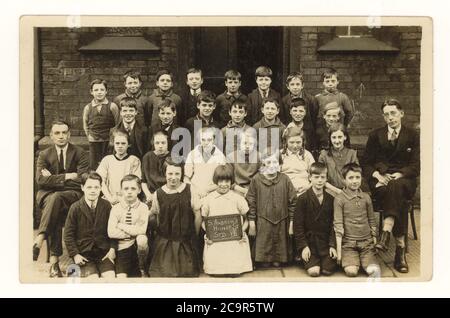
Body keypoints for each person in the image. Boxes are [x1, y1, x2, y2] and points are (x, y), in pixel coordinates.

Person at [362, 98, 420, 273]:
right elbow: (366, 163)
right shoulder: (375, 135)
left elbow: (416, 166)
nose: (390, 117)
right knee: (396, 195)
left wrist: (400, 174)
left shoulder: (412, 135)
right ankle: (400, 251)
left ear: (401, 113)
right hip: (381, 182)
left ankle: (386, 233)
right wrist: (378, 175)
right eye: (386, 114)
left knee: (396, 187)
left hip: (404, 180)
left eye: (393, 113)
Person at [33, 121, 89, 277]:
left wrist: (54, 180)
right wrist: (67, 176)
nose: (61, 136)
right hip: (48, 197)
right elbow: (40, 180)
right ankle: (55, 262)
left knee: (55, 199)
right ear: (51, 136)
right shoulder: (44, 155)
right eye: (57, 133)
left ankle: (50, 256)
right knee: (55, 204)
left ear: (69, 134)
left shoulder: (80, 152)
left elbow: (82, 180)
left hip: (73, 195)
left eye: (64, 132)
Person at [148, 158, 201, 277]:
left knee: (187, 273)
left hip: (186, 240)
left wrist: (194, 236)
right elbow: (156, 215)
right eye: (170, 173)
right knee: (162, 273)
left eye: (177, 174)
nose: (173, 177)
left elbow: (197, 215)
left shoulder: (189, 189)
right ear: (164, 174)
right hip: (166, 240)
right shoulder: (158, 193)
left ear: (182, 174)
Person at [246, 150, 297, 267]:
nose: (272, 165)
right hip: (263, 221)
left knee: (277, 262)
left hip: (282, 221)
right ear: (262, 163)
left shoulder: (285, 179)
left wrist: (291, 223)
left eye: (275, 162)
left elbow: (293, 202)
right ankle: (263, 258)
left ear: (279, 164)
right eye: (268, 162)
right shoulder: (256, 180)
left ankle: (279, 258)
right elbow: (251, 201)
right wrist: (252, 222)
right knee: (264, 262)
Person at [201, 165, 253, 276]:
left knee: (234, 267)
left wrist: (241, 231)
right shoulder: (209, 199)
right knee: (215, 267)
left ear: (231, 182)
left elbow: (246, 220)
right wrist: (208, 233)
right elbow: (204, 221)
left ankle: (235, 267)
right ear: (215, 181)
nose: (224, 184)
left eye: (227, 181)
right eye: (220, 181)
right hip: (216, 237)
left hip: (234, 237)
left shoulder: (238, 198)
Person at [64, 172, 116, 278]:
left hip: (103, 253)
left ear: (101, 188)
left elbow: (114, 229)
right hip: (84, 255)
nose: (93, 190)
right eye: (89, 187)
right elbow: (68, 235)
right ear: (82, 187)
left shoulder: (106, 206)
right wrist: (75, 254)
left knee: (110, 276)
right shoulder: (75, 208)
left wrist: (112, 249)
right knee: (93, 279)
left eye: (96, 187)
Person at [334, 163, 380, 278]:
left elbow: (372, 220)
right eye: (350, 178)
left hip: (366, 243)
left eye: (357, 177)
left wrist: (374, 241)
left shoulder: (366, 197)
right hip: (348, 244)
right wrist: (339, 252)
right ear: (344, 180)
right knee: (351, 272)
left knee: (373, 272)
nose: (354, 181)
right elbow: (338, 225)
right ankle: (353, 261)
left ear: (361, 178)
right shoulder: (339, 199)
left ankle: (365, 259)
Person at [293, 162, 337, 277]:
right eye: (316, 177)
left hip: (325, 243)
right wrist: (303, 247)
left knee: (327, 271)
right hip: (310, 243)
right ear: (310, 178)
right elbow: (298, 226)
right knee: (314, 272)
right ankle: (307, 258)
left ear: (326, 178)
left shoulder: (331, 199)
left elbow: (334, 224)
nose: (319, 180)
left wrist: (332, 245)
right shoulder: (303, 199)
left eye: (323, 177)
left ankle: (325, 259)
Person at [107, 174, 149, 277]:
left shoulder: (143, 207)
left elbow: (142, 230)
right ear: (121, 190)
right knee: (122, 277)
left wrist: (120, 225)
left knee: (142, 239)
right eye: (126, 188)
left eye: (133, 188)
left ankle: (142, 266)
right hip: (122, 247)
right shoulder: (116, 208)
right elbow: (111, 232)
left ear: (139, 190)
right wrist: (132, 232)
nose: (129, 191)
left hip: (137, 246)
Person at [83, 78, 120, 170]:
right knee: (94, 164)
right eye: (96, 90)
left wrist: (112, 137)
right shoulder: (88, 107)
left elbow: (118, 122)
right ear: (91, 92)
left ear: (106, 91)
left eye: (102, 90)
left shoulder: (112, 106)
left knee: (108, 161)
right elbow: (85, 124)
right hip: (93, 140)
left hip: (108, 140)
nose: (99, 92)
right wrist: (90, 136)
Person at [96, 131, 141, 206]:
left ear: (128, 144)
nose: (120, 146)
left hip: (128, 198)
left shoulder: (134, 160)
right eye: (117, 143)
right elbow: (100, 181)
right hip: (109, 198)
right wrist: (110, 198)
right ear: (113, 144)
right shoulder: (107, 160)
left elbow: (136, 183)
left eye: (123, 143)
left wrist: (122, 198)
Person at [318, 123, 358, 197]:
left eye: (340, 137)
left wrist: (347, 191)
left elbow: (356, 176)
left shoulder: (352, 154)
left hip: (350, 190)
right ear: (330, 138)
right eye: (334, 137)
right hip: (330, 191)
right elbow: (321, 177)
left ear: (345, 137)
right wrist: (337, 191)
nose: (337, 141)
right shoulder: (324, 155)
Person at [227, 129, 260, 197]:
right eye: (244, 143)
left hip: (255, 189)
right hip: (236, 189)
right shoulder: (231, 157)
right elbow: (228, 180)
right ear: (239, 144)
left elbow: (261, 178)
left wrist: (251, 191)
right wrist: (243, 191)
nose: (247, 146)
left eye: (250, 144)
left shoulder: (259, 157)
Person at [141, 131, 170, 204]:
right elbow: (143, 181)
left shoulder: (174, 158)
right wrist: (148, 195)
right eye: (157, 143)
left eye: (163, 143)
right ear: (153, 143)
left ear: (168, 143)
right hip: (151, 194)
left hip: (169, 194)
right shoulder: (147, 157)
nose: (160, 146)